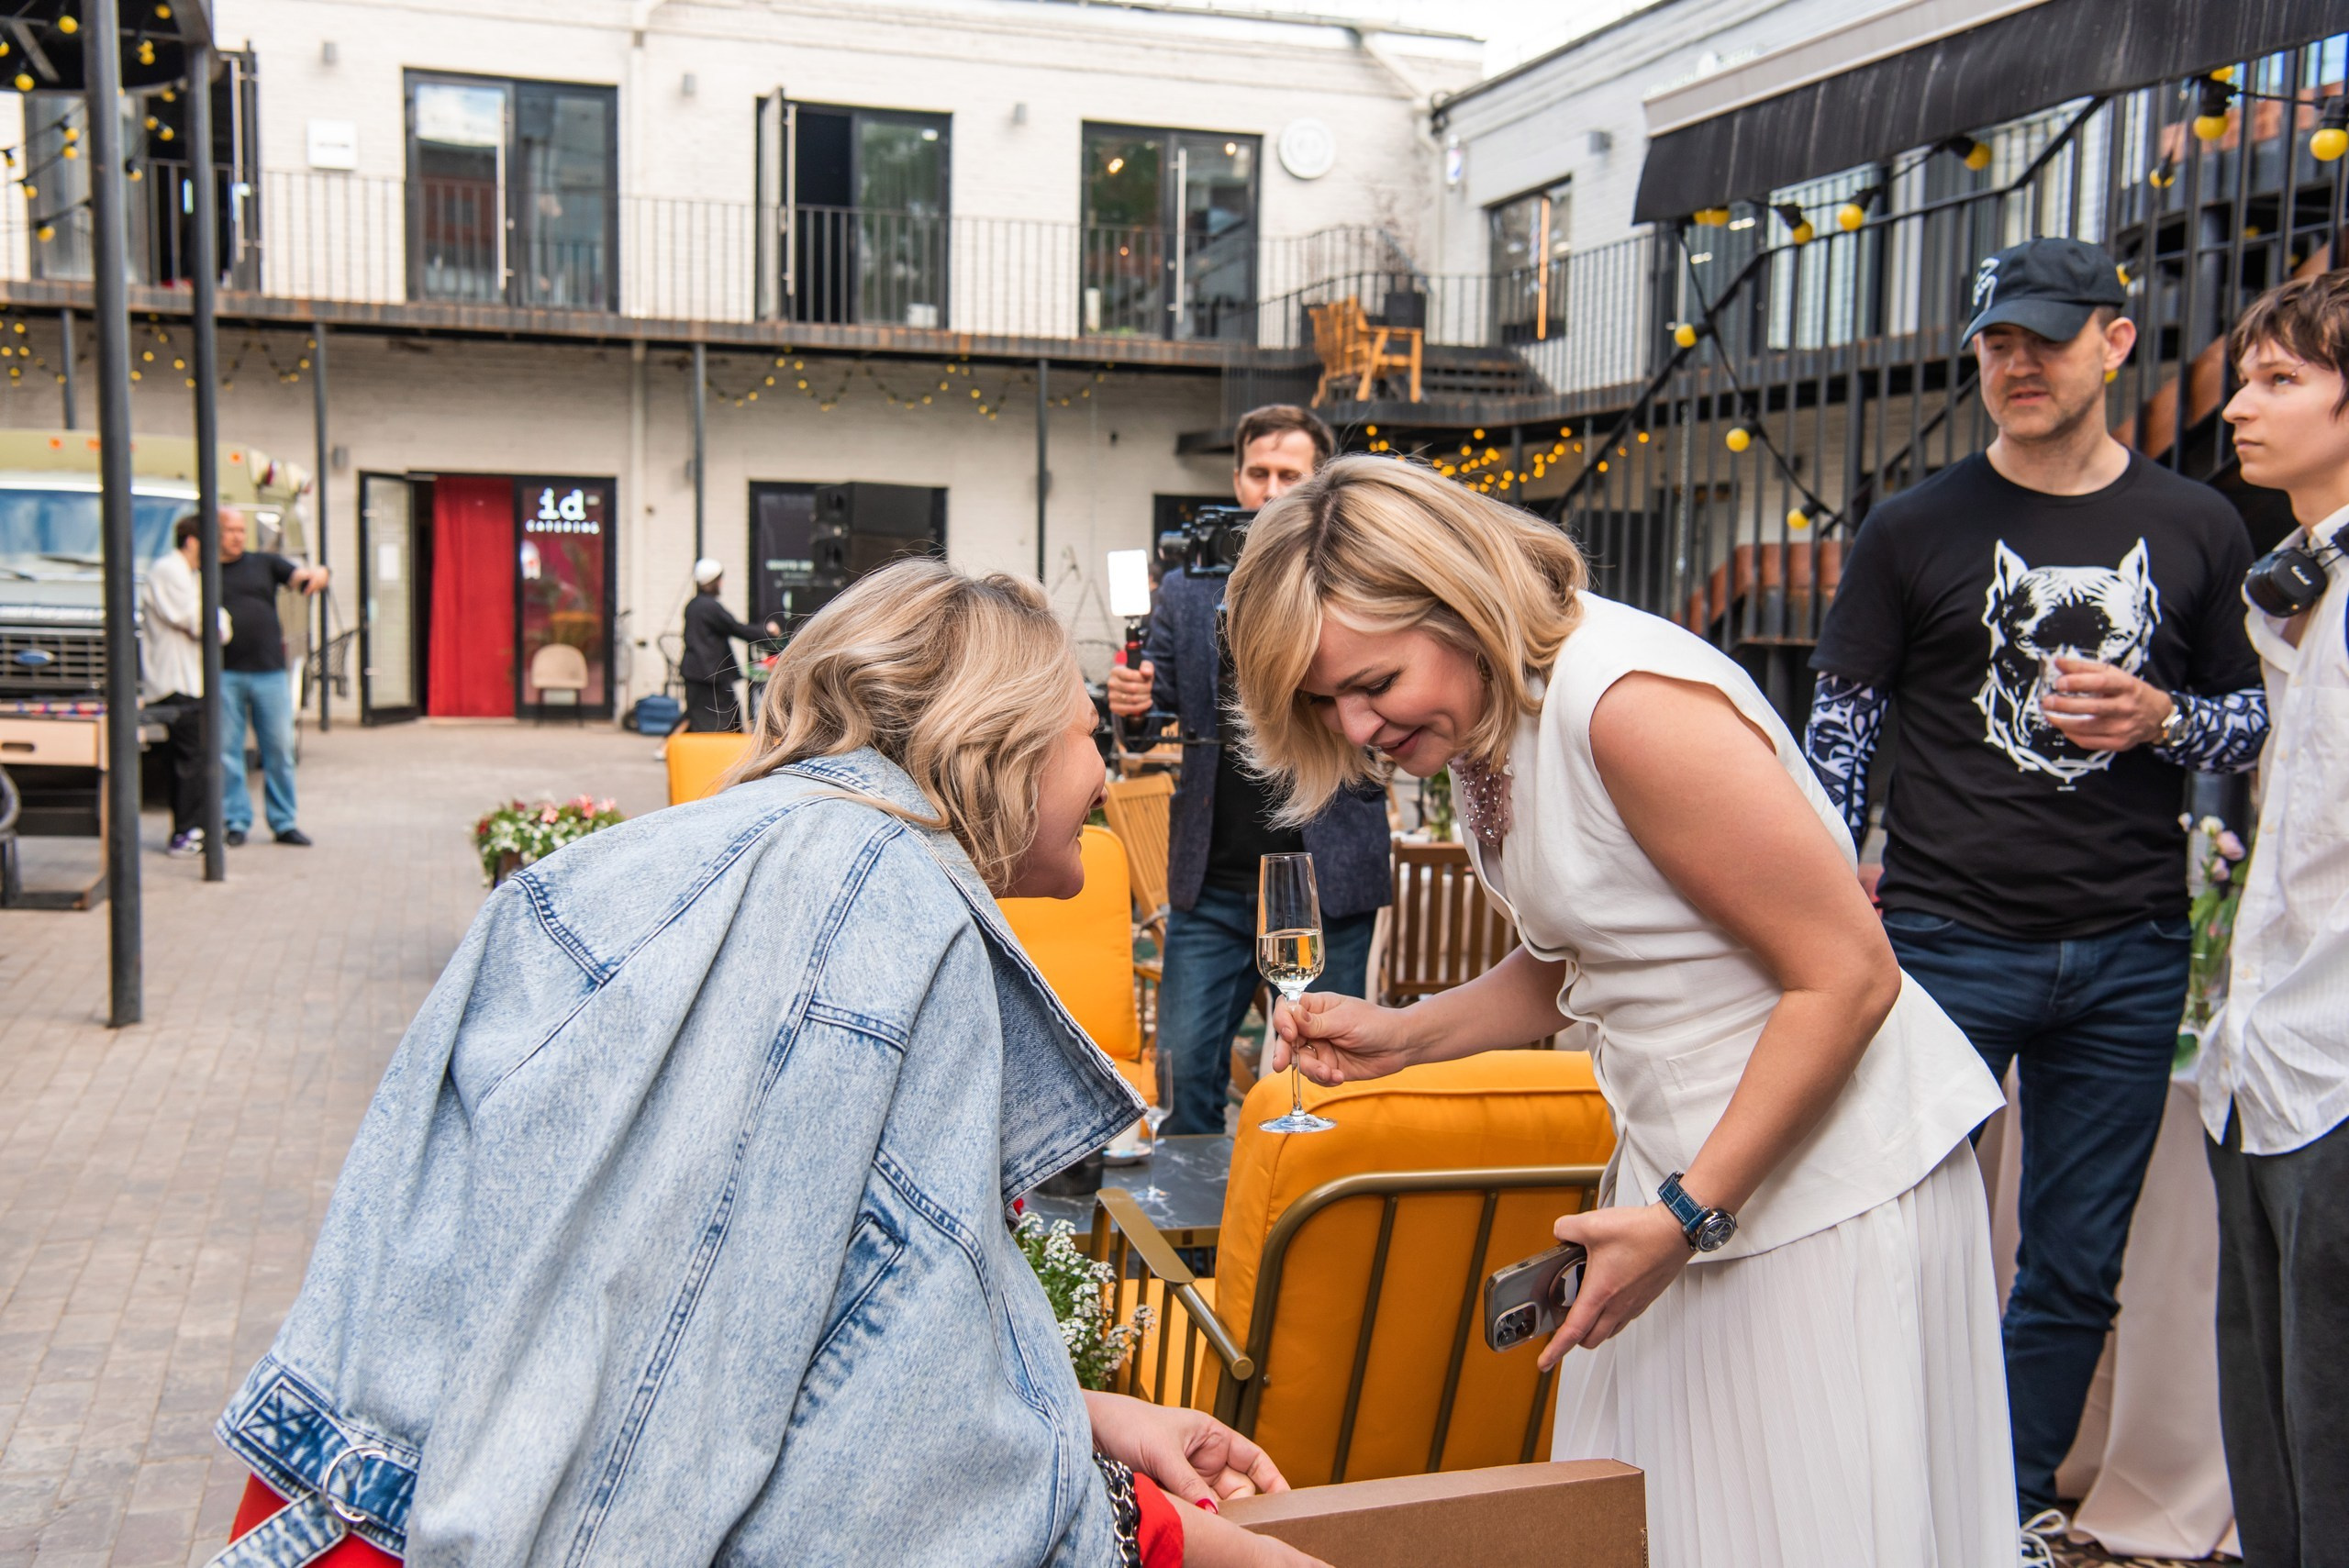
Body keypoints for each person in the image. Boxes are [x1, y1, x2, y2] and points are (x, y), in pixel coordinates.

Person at [208, 557, 1324, 1568]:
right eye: (1086, 731)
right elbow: (875, 1482)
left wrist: (1079, 1409)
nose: (1106, 764)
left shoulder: (669, 857)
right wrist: (1160, 1529)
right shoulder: (895, 916)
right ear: (1002, 741)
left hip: (353, 1500)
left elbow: (721, 1313)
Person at [1223, 456, 2012, 1567]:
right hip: (1682, 1188)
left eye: (1373, 681)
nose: (1353, 725)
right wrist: (1406, 1034)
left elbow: (1847, 974)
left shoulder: (1629, 703)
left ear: (1456, 601)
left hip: (1817, 1191)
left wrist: (1689, 1213)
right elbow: (1590, 949)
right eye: (1321, 702)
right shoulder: (1496, 709)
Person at [1803, 236, 2268, 1541]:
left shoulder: (2198, 524)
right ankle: (1890, 1497)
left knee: (2073, 1264)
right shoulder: (1913, 527)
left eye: (2045, 340)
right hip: (1946, 936)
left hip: (2128, 948)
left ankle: (2001, 1513)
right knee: (1894, 1239)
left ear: (2116, 344)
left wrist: (2162, 718)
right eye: (1998, 342)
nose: (2015, 364)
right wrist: (1825, 911)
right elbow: (1837, 739)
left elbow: (2252, 722)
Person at [1106, 406, 1389, 1135]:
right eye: (1258, 474)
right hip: (1218, 877)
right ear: (1237, 480)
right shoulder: (1186, 589)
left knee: (1321, 1079)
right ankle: (1197, 1244)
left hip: (1326, 877)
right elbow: (1150, 713)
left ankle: (1299, 1227)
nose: (1270, 489)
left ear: (1320, 482)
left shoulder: (1359, 583)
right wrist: (1132, 705)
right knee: (1183, 1069)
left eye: (1288, 475)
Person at [2203, 269, 2349, 1568]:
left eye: (2280, 379)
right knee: (2275, 1437)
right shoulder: (2306, 584)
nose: (2239, 406)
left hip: (2339, 1072)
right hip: (2265, 1068)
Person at [217, 507, 328, 848]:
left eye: (241, 529)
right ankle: (235, 820)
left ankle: (283, 822)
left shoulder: (264, 563)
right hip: (225, 673)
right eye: (230, 530)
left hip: (269, 672)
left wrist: (320, 573)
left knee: (279, 749)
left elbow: (302, 578)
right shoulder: (203, 571)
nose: (238, 536)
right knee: (228, 752)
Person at [140, 513, 226, 858]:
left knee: (199, 755)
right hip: (175, 681)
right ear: (192, 541)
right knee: (189, 759)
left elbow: (220, 623)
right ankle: (184, 832)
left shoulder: (191, 575)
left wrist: (214, 622)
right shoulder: (169, 570)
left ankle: (197, 826)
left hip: (194, 680)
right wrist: (213, 622)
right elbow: (197, 621)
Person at [680, 557, 781, 732]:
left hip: (696, 671)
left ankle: (666, 747)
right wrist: (767, 631)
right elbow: (735, 628)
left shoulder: (693, 605)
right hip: (710, 673)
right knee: (724, 717)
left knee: (698, 716)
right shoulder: (710, 607)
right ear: (714, 582)